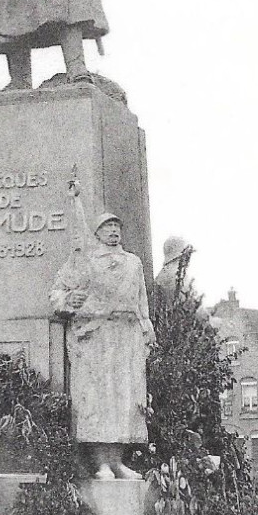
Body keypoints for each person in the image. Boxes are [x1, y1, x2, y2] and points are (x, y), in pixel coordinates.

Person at [49, 179, 155, 479]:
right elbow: (57, 293)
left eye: (116, 227)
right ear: (96, 233)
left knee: (124, 397)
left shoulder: (133, 263)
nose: (113, 231)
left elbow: (141, 300)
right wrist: (70, 299)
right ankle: (100, 462)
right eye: (107, 227)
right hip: (97, 337)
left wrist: (147, 327)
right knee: (99, 397)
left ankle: (118, 461)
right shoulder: (85, 260)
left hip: (126, 337)